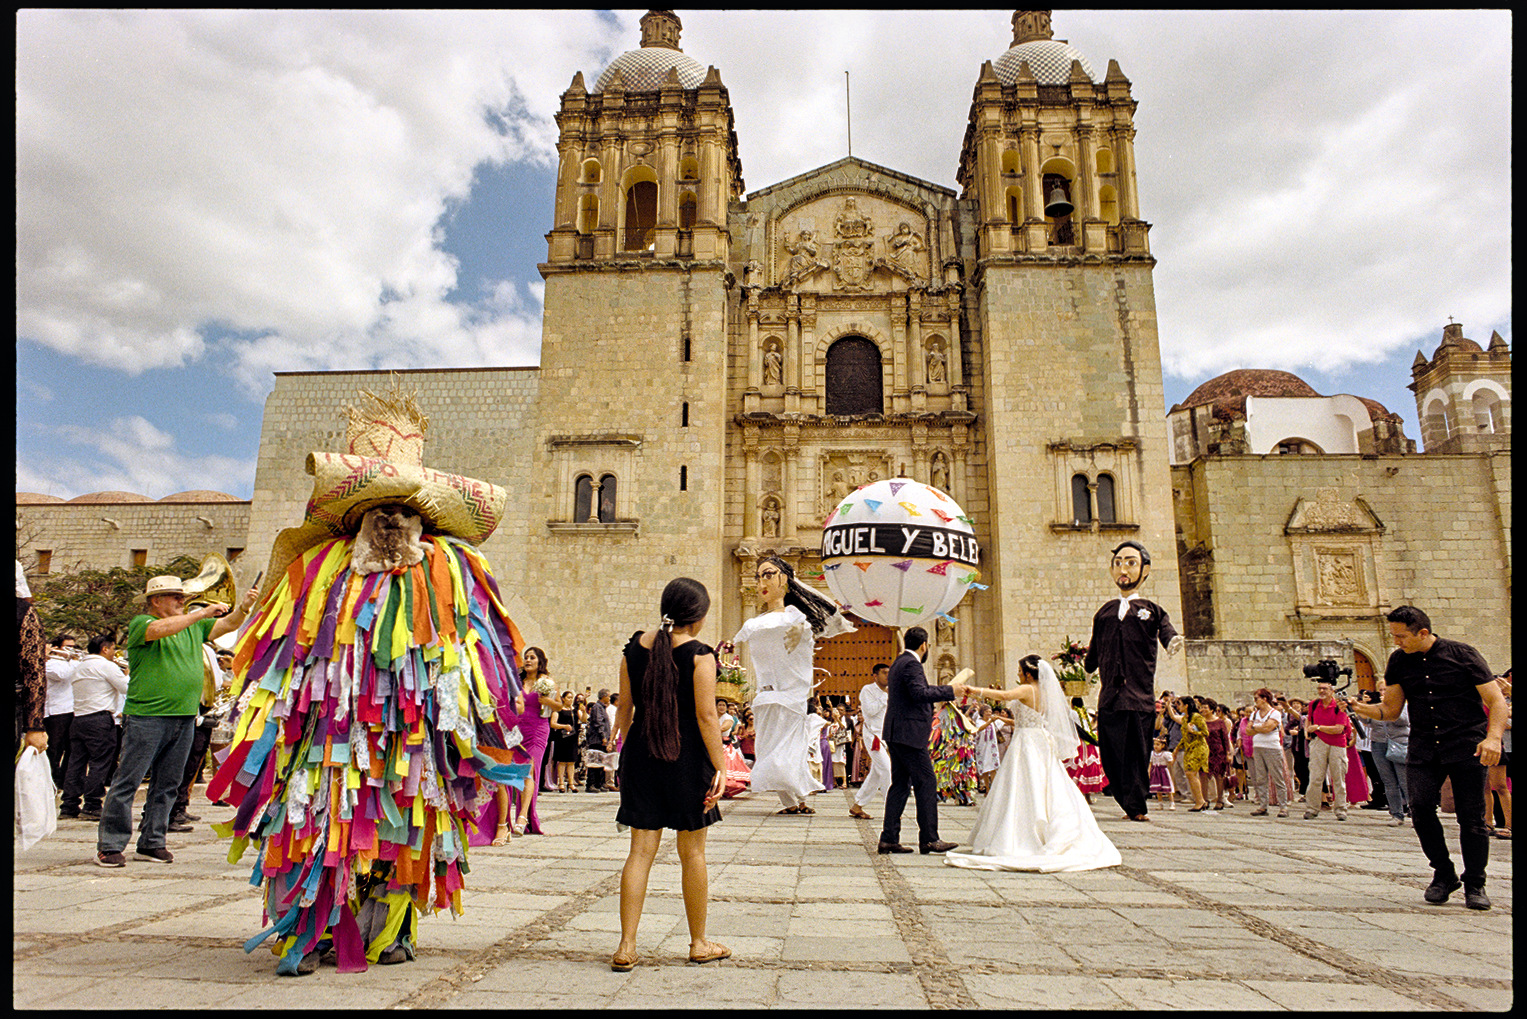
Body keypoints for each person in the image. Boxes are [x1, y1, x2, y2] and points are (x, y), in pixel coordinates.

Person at [1346, 606, 1505, 909]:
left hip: (1465, 745)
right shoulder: (1398, 661)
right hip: (1423, 746)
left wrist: (1493, 737)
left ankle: (1475, 883)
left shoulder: (1463, 655)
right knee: (1419, 808)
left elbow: (1496, 701)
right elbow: (1391, 710)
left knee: (1471, 817)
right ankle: (1444, 874)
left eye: (1401, 636)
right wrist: (1360, 709)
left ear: (1422, 632)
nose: (1396, 641)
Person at [96, 574, 255, 869]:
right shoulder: (141, 623)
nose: (183, 601)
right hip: (147, 715)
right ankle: (110, 844)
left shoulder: (194, 626)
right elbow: (160, 629)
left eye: (183, 597)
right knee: (128, 781)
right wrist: (201, 612)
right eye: (176, 597)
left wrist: (243, 608)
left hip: (184, 716)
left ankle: (152, 841)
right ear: (156, 601)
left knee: (168, 783)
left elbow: (229, 625)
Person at [611, 577, 729, 971]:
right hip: (687, 759)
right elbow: (707, 716)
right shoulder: (700, 655)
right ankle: (698, 942)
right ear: (696, 618)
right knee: (692, 853)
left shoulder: (633, 650)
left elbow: (624, 710)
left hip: (643, 758)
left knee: (639, 853)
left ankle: (627, 946)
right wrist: (722, 765)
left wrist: (633, 753)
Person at [947, 655, 1121, 872]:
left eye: (1020, 671)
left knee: (1023, 785)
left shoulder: (1027, 689)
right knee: (1045, 784)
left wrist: (975, 690)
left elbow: (1004, 695)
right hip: (1038, 739)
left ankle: (1021, 836)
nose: (1018, 674)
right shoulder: (1045, 692)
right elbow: (1029, 719)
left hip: (1027, 742)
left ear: (1028, 674)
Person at [733, 556, 851, 816]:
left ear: (784, 579)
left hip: (791, 698)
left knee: (789, 751)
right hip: (766, 698)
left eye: (768, 574)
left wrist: (802, 632)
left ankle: (796, 800)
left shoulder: (797, 618)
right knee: (773, 749)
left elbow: (810, 635)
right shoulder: (755, 623)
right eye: (758, 576)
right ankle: (793, 802)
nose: (762, 581)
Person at [1085, 541, 1183, 823]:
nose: (1123, 570)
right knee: (1111, 755)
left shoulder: (1151, 610)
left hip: (1138, 697)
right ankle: (1123, 796)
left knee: (1138, 754)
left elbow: (1167, 633)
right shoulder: (1104, 612)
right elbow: (1094, 649)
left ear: (1145, 569)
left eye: (1130, 562)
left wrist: (1172, 640)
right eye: (1118, 563)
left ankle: (1136, 804)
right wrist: (1087, 666)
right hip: (1110, 698)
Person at [877, 626, 966, 855]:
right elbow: (920, 694)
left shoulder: (899, 662)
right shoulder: (912, 664)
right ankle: (929, 838)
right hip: (909, 734)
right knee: (926, 782)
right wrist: (950, 690)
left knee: (900, 785)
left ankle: (889, 838)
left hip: (898, 732)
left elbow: (919, 690)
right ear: (925, 645)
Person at [59, 635, 130, 822]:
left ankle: (69, 804)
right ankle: (92, 804)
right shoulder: (106, 666)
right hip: (99, 719)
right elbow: (126, 688)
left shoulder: (78, 666)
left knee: (76, 763)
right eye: (113, 648)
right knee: (100, 762)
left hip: (79, 718)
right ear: (105, 649)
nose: (115, 653)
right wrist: (128, 673)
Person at [492, 648, 555, 841]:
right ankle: (507, 822)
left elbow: (559, 706)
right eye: (526, 657)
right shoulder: (515, 681)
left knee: (529, 769)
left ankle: (523, 817)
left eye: (532, 657)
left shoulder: (547, 682)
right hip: (516, 729)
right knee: (512, 769)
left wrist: (548, 701)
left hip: (537, 730)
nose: (528, 660)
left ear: (540, 661)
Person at [1301, 680, 1352, 821]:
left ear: (1332, 691)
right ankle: (1312, 808)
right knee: (1315, 777)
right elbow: (1309, 720)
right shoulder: (1314, 704)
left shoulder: (1339, 706)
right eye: (1319, 688)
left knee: (1338, 778)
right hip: (1318, 742)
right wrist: (1308, 730)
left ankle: (1341, 809)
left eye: (1325, 688)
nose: (1321, 691)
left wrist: (1318, 727)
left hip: (1337, 744)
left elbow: (1339, 729)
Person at [1365, 678, 1410, 826]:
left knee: (1404, 780)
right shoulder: (1378, 706)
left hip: (1399, 744)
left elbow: (1403, 721)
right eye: (1381, 691)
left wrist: (1389, 708)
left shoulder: (1404, 705)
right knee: (1389, 781)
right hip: (1379, 744)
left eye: (1386, 690)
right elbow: (1366, 721)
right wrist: (1362, 707)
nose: (1383, 693)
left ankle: (1415, 813)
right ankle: (1396, 814)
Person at [16, 561, 49, 759]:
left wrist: (34, 726)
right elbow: (34, 672)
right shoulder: (22, 611)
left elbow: (34, 672)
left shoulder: (21, 612)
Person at [1245, 689, 1289, 818]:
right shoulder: (1254, 714)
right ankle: (1263, 805)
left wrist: (1256, 728)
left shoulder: (1274, 713)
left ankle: (1283, 806)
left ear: (1264, 699)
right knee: (1261, 778)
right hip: (1258, 746)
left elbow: (1268, 728)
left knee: (1277, 777)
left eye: (1257, 698)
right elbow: (1248, 731)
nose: (1255, 701)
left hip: (1272, 747)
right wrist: (1260, 728)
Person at [44, 635, 80, 788]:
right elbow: (62, 675)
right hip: (56, 711)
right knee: (54, 748)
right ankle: (51, 779)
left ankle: (64, 780)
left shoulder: (70, 663)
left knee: (71, 748)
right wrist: (74, 660)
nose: (71, 650)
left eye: (73, 646)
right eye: (67, 647)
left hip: (71, 709)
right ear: (57, 648)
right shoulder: (50, 663)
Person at [1165, 695, 1210, 811]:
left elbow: (1205, 732)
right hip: (1189, 747)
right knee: (1190, 774)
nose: (1178, 706)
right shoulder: (1186, 718)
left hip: (1198, 747)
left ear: (1186, 705)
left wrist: (1194, 731)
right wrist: (1169, 705)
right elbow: (1174, 718)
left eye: (1179, 704)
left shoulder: (1196, 717)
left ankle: (1200, 800)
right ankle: (1200, 800)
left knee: (1191, 773)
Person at [1064, 697, 1107, 802]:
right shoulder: (1085, 714)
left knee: (1077, 768)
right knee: (1087, 768)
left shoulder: (1072, 713)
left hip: (1079, 742)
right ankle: (1087, 796)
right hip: (1089, 745)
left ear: (1072, 704)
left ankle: (1074, 795)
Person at [584, 688, 614, 792]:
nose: (609, 698)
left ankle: (599, 783)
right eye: (608, 696)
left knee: (601, 762)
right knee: (594, 761)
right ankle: (591, 784)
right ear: (604, 696)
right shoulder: (597, 707)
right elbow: (598, 723)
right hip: (597, 739)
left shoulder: (603, 708)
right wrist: (603, 737)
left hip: (601, 739)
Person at [552, 690, 580, 792]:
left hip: (572, 737)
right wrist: (563, 726)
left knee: (572, 761)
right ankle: (561, 783)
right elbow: (553, 723)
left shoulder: (574, 710)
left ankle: (571, 783)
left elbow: (583, 719)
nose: (570, 700)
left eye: (571, 697)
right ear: (563, 698)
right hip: (562, 737)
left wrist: (584, 711)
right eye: (568, 697)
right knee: (562, 761)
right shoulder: (558, 710)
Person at [1148, 737, 1175, 809]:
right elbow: (1150, 763)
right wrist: (1149, 771)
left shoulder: (1166, 754)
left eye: (1158, 744)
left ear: (1163, 745)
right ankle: (1160, 804)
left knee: (1167, 787)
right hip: (1155, 772)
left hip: (1163, 771)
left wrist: (1172, 758)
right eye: (1154, 744)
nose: (1155, 746)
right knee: (1157, 789)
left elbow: (1171, 762)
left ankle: (1172, 803)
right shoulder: (1152, 753)